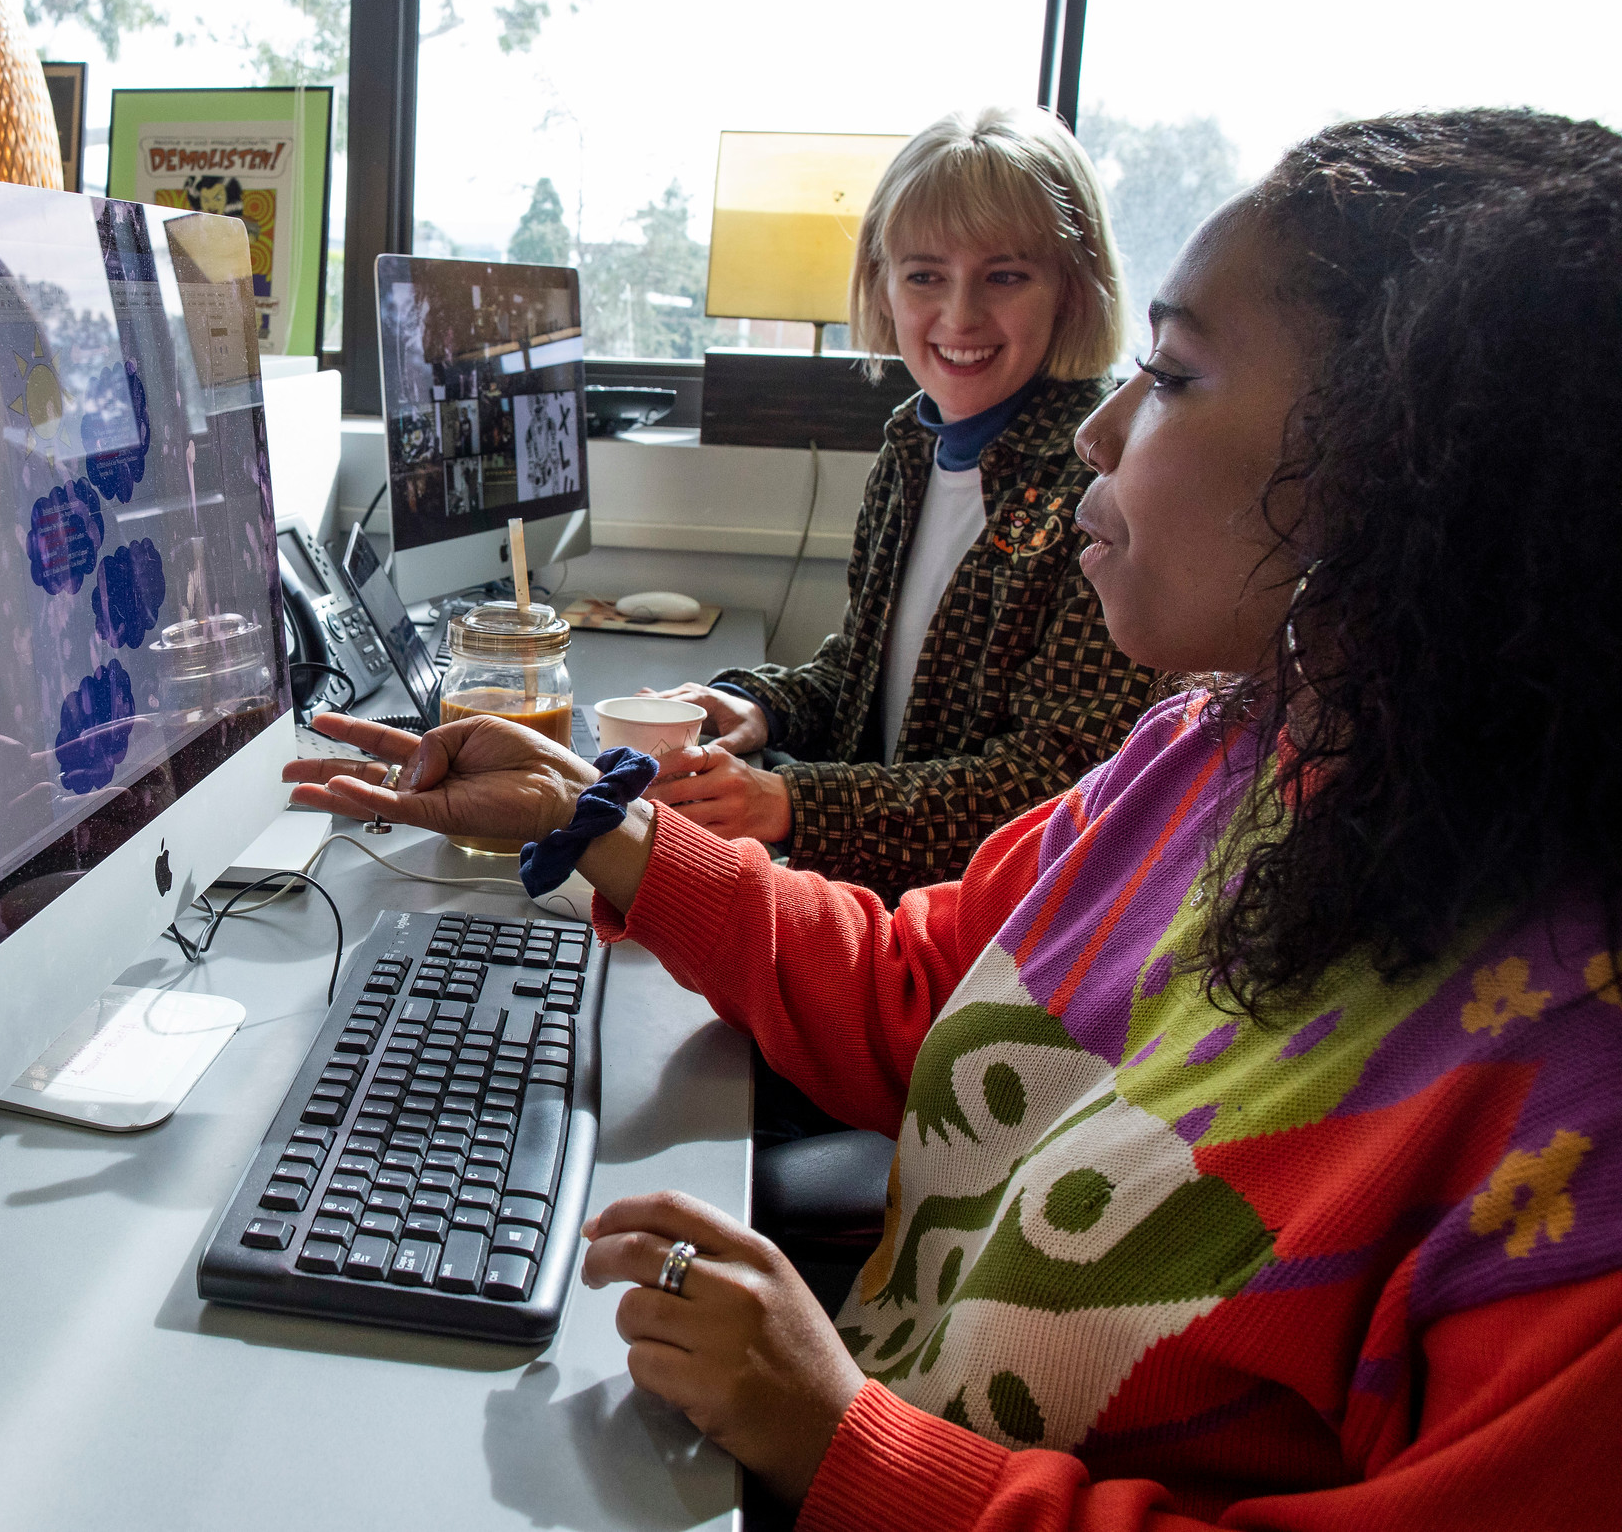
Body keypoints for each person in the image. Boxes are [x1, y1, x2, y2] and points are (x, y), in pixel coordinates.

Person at [285, 108, 1622, 1527]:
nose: (1105, 419)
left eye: (1170, 374)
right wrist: (596, 816)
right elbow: (926, 987)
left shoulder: (1572, 1154)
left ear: (1411, 476)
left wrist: (842, 1436)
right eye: (921, 275)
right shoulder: (1212, 750)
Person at [646, 107, 1154, 903]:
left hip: (992, 938)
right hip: (873, 903)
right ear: (883, 285)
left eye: (1006, 275)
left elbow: (1057, 781)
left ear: (1073, 288)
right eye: (925, 276)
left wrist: (790, 802)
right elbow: (870, 664)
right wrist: (760, 706)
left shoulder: (1108, 480)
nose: (959, 316)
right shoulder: (910, 447)